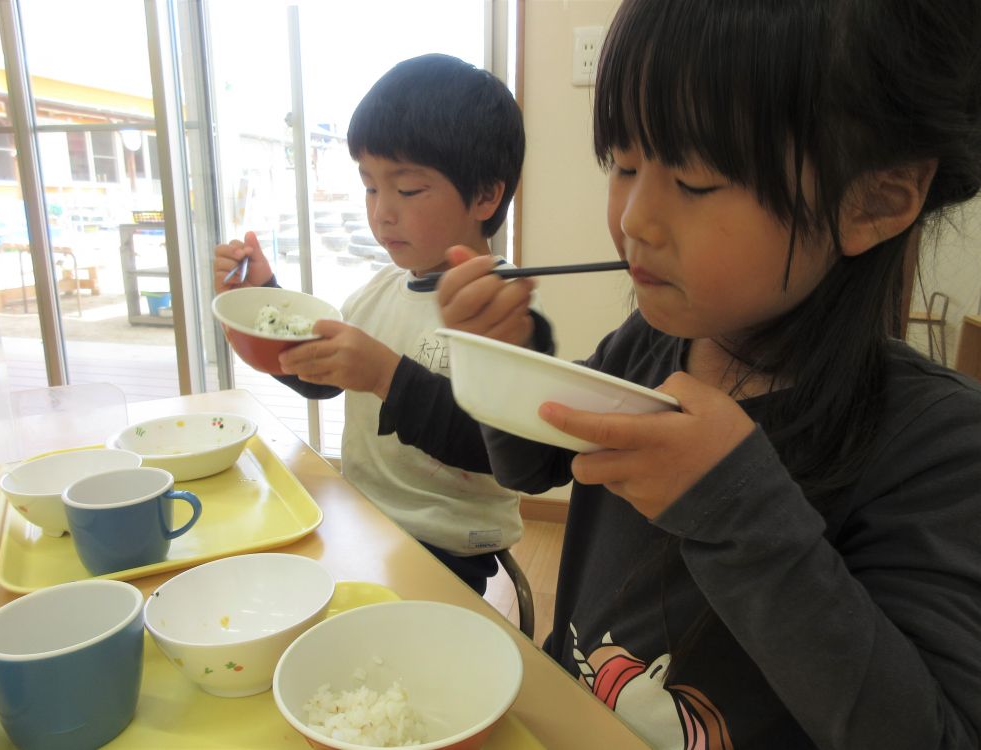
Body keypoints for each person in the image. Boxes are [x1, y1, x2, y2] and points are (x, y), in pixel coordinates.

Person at [435, 1, 981, 747]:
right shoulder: (651, 345)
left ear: (875, 201)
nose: (633, 218)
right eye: (623, 164)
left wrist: (738, 509)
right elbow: (532, 463)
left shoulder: (939, 446)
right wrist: (508, 353)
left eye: (693, 179)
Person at [214, 54, 550, 595]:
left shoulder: (501, 311)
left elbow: (496, 453)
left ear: (486, 194)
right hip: (360, 519)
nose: (382, 212)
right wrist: (262, 303)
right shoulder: (377, 292)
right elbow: (320, 375)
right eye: (370, 187)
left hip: (447, 544)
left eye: (407, 190)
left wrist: (385, 375)